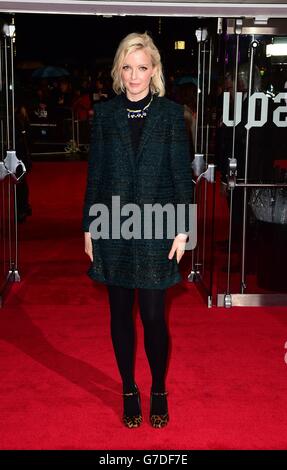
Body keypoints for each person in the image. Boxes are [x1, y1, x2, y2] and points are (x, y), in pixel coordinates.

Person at [83, 32, 193, 429]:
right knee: (119, 315)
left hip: (157, 226)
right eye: (127, 68)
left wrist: (183, 231)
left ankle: (159, 388)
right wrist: (89, 228)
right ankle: (129, 389)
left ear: (154, 70)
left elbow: (183, 177)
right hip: (112, 225)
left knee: (152, 316)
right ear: (119, 69)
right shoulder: (106, 114)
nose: (134, 76)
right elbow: (95, 174)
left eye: (142, 68)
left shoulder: (169, 115)